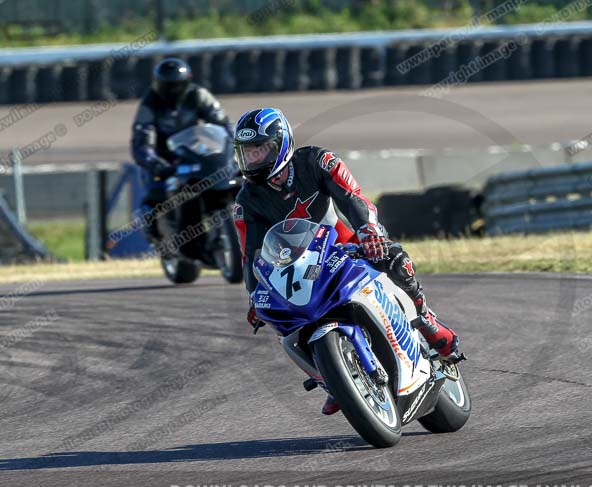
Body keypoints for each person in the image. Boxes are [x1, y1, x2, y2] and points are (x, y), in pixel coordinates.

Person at [231, 107, 460, 415]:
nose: (252, 159)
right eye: (246, 153)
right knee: (282, 324)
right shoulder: (247, 200)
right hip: (296, 268)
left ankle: (426, 322)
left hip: (342, 243)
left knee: (394, 259)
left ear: (279, 144)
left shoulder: (316, 161)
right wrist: (253, 295)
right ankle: (334, 378)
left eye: (258, 150)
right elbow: (252, 255)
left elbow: (353, 198)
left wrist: (368, 231)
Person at [130, 57, 232, 247]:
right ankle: (156, 235)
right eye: (168, 86)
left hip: (192, 152)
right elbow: (142, 138)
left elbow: (224, 123)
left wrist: (234, 144)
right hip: (163, 159)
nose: (173, 91)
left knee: (229, 181)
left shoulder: (198, 95)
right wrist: (153, 161)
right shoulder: (149, 103)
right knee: (156, 195)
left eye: (177, 85)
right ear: (158, 85)